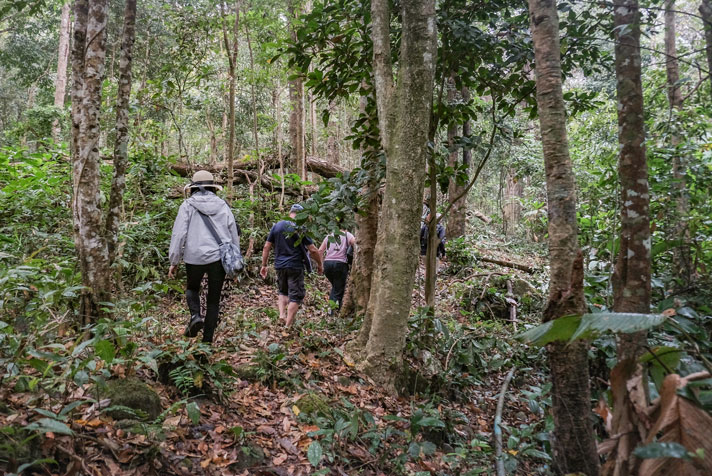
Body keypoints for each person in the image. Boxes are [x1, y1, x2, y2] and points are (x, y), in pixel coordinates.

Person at [168, 170, 240, 343]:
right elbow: (233, 233)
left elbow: (178, 234)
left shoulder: (187, 205)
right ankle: (207, 341)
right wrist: (236, 263)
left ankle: (195, 316)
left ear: (193, 187)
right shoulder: (223, 205)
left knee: (192, 288)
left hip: (194, 257)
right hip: (218, 259)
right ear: (212, 187)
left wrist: (174, 260)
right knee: (213, 301)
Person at [260, 204, 324, 327]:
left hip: (279, 265)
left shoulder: (277, 226)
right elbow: (313, 249)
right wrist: (320, 264)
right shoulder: (300, 227)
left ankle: (281, 315)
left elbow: (266, 246)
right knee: (296, 295)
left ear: (290, 213)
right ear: (300, 215)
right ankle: (288, 326)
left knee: (283, 291)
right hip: (295, 266)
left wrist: (264, 265)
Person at [319, 228, 355, 312]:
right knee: (337, 289)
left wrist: (320, 265)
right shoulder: (347, 235)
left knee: (336, 287)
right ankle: (331, 312)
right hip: (340, 264)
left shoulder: (329, 236)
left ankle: (336, 309)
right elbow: (355, 243)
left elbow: (320, 250)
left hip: (327, 264)